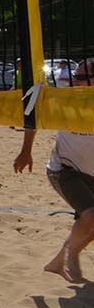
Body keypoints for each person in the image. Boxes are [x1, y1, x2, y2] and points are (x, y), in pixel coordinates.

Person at [14, 58, 94, 283]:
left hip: (91, 173)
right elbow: (34, 116)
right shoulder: (65, 98)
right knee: (90, 217)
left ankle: (56, 263)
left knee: (89, 225)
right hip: (64, 169)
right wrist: (26, 151)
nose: (75, 81)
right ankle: (72, 256)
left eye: (80, 77)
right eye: (75, 76)